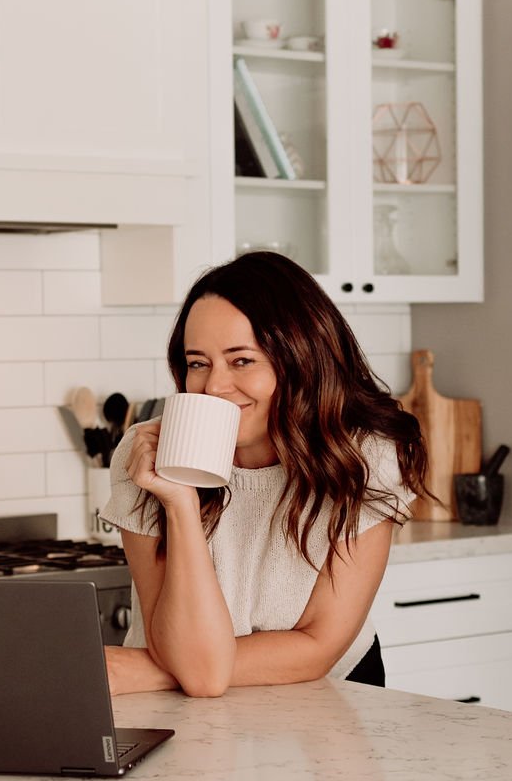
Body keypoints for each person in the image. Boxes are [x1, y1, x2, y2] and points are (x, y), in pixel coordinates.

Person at [100, 251, 428, 697]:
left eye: (241, 361)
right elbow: (181, 652)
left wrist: (150, 671)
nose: (214, 386)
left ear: (300, 360)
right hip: (174, 708)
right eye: (198, 362)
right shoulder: (146, 454)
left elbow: (315, 648)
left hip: (322, 700)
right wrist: (179, 503)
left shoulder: (363, 458)